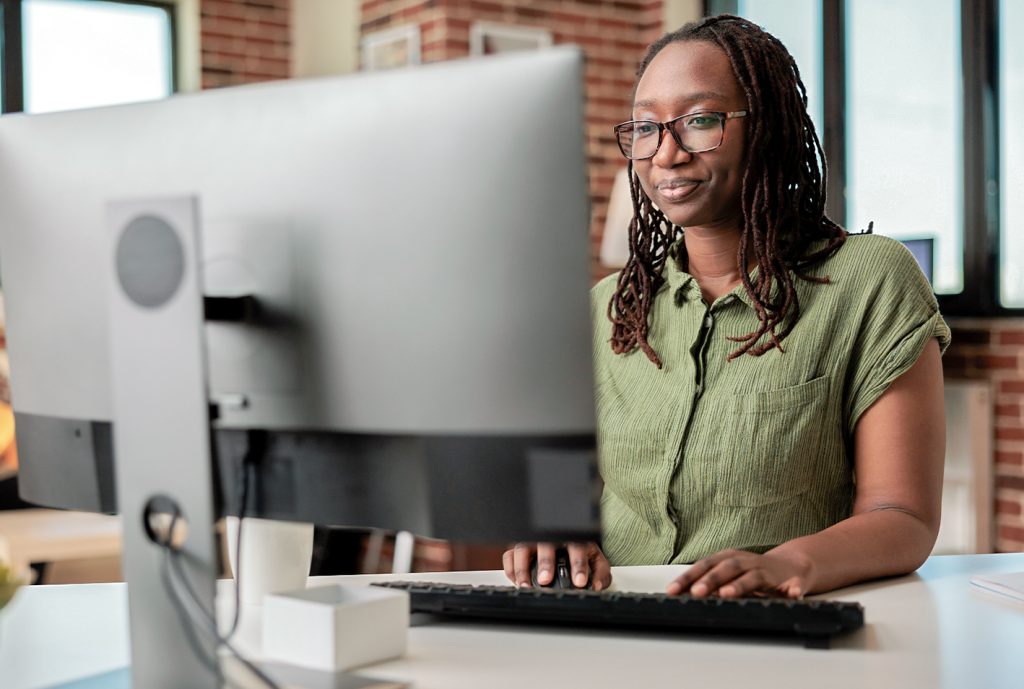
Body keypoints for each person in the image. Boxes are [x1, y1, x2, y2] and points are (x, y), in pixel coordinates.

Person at [503, 14, 949, 599]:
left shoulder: (870, 282)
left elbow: (903, 517)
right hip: (612, 624)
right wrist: (551, 534)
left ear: (766, 129)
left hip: (775, 624)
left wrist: (788, 566)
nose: (665, 153)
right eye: (644, 127)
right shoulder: (608, 308)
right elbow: (561, 492)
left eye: (699, 121)